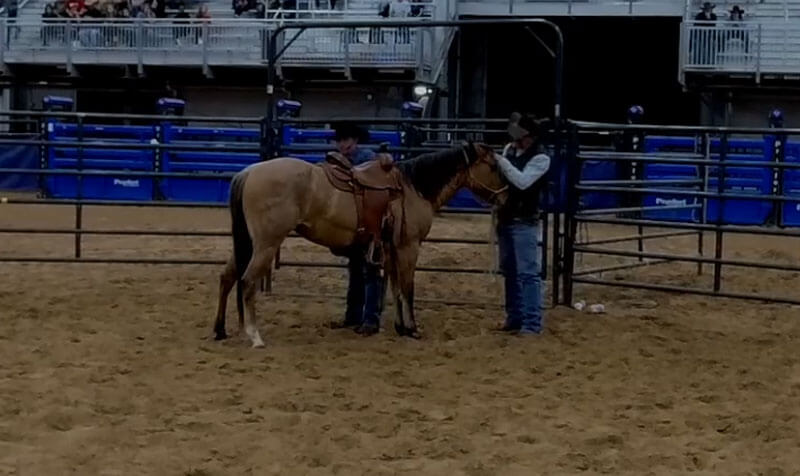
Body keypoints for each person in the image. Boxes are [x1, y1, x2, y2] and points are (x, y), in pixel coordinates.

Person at [494, 113, 551, 335]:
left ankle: (531, 323)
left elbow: (522, 181)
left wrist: (501, 161)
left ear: (530, 136)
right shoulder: (511, 149)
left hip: (524, 220)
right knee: (510, 271)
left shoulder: (541, 158)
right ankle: (515, 318)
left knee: (527, 273)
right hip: (507, 217)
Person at [326, 122, 384, 336]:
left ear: (355, 141)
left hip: (369, 224)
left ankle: (369, 318)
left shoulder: (367, 159)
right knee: (359, 270)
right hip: (357, 225)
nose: (343, 145)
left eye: (346, 140)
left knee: (369, 270)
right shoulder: (344, 160)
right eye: (340, 140)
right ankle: (356, 317)